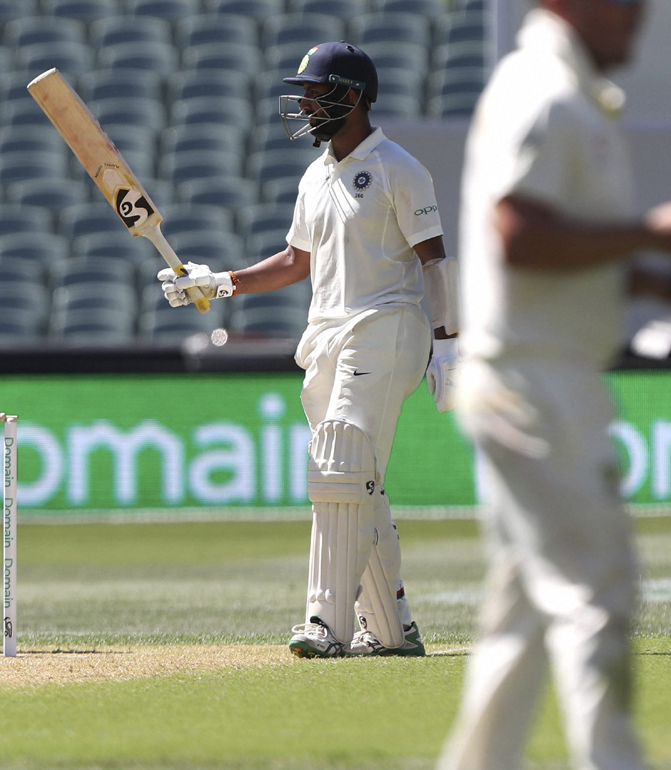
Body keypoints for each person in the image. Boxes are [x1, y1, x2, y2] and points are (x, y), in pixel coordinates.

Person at [438, 0, 671, 770]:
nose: (638, 16)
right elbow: (520, 235)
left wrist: (650, 278)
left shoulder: (572, 94)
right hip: (535, 383)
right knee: (596, 593)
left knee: (524, 613)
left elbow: (549, 247)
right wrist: (656, 231)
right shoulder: (544, 93)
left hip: (536, 372)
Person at [159, 41, 459, 658]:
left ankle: (326, 623)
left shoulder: (400, 169)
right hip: (325, 334)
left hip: (387, 323)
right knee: (356, 482)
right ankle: (393, 627)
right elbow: (298, 261)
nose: (303, 102)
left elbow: (434, 259)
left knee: (338, 460)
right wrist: (220, 281)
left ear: (351, 96)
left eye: (314, 91)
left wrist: (447, 341)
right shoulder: (316, 173)